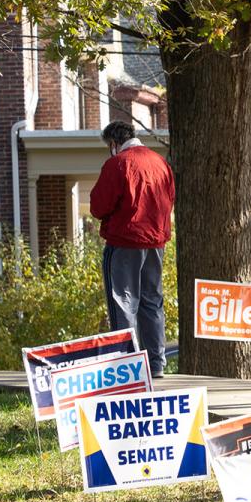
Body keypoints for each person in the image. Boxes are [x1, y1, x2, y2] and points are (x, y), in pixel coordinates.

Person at [90, 120, 176, 378]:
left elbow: (98, 206)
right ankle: (156, 362)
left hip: (125, 241)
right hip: (155, 241)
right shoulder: (161, 163)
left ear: (114, 143)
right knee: (152, 301)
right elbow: (170, 198)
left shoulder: (118, 164)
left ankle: (126, 365)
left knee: (123, 302)